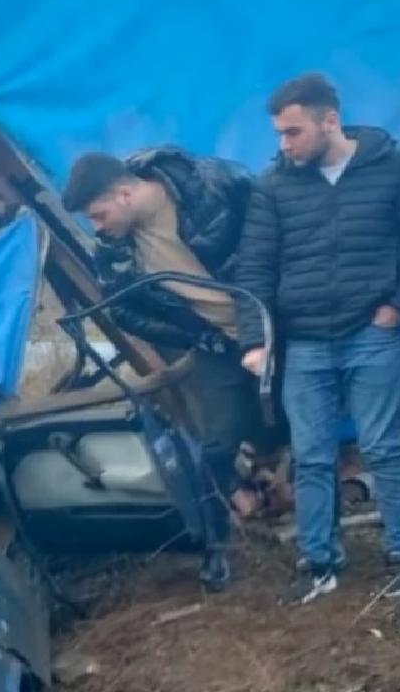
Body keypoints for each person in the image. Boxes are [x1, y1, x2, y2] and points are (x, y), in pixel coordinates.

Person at [236, 73, 400, 605]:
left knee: (383, 448)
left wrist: (398, 309)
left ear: (330, 120)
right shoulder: (273, 186)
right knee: (312, 455)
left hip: (371, 334)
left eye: (293, 132)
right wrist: (255, 341)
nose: (284, 145)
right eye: (279, 134)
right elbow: (254, 268)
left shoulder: (391, 171)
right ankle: (319, 563)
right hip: (302, 343)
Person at [62, 147, 258, 593]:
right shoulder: (113, 250)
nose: (97, 227)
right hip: (212, 345)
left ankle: (322, 528)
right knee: (216, 445)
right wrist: (193, 334)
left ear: (126, 193)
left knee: (305, 416)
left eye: (98, 214)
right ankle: (216, 547)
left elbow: (274, 234)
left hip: (272, 322)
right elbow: (125, 312)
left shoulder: (211, 185)